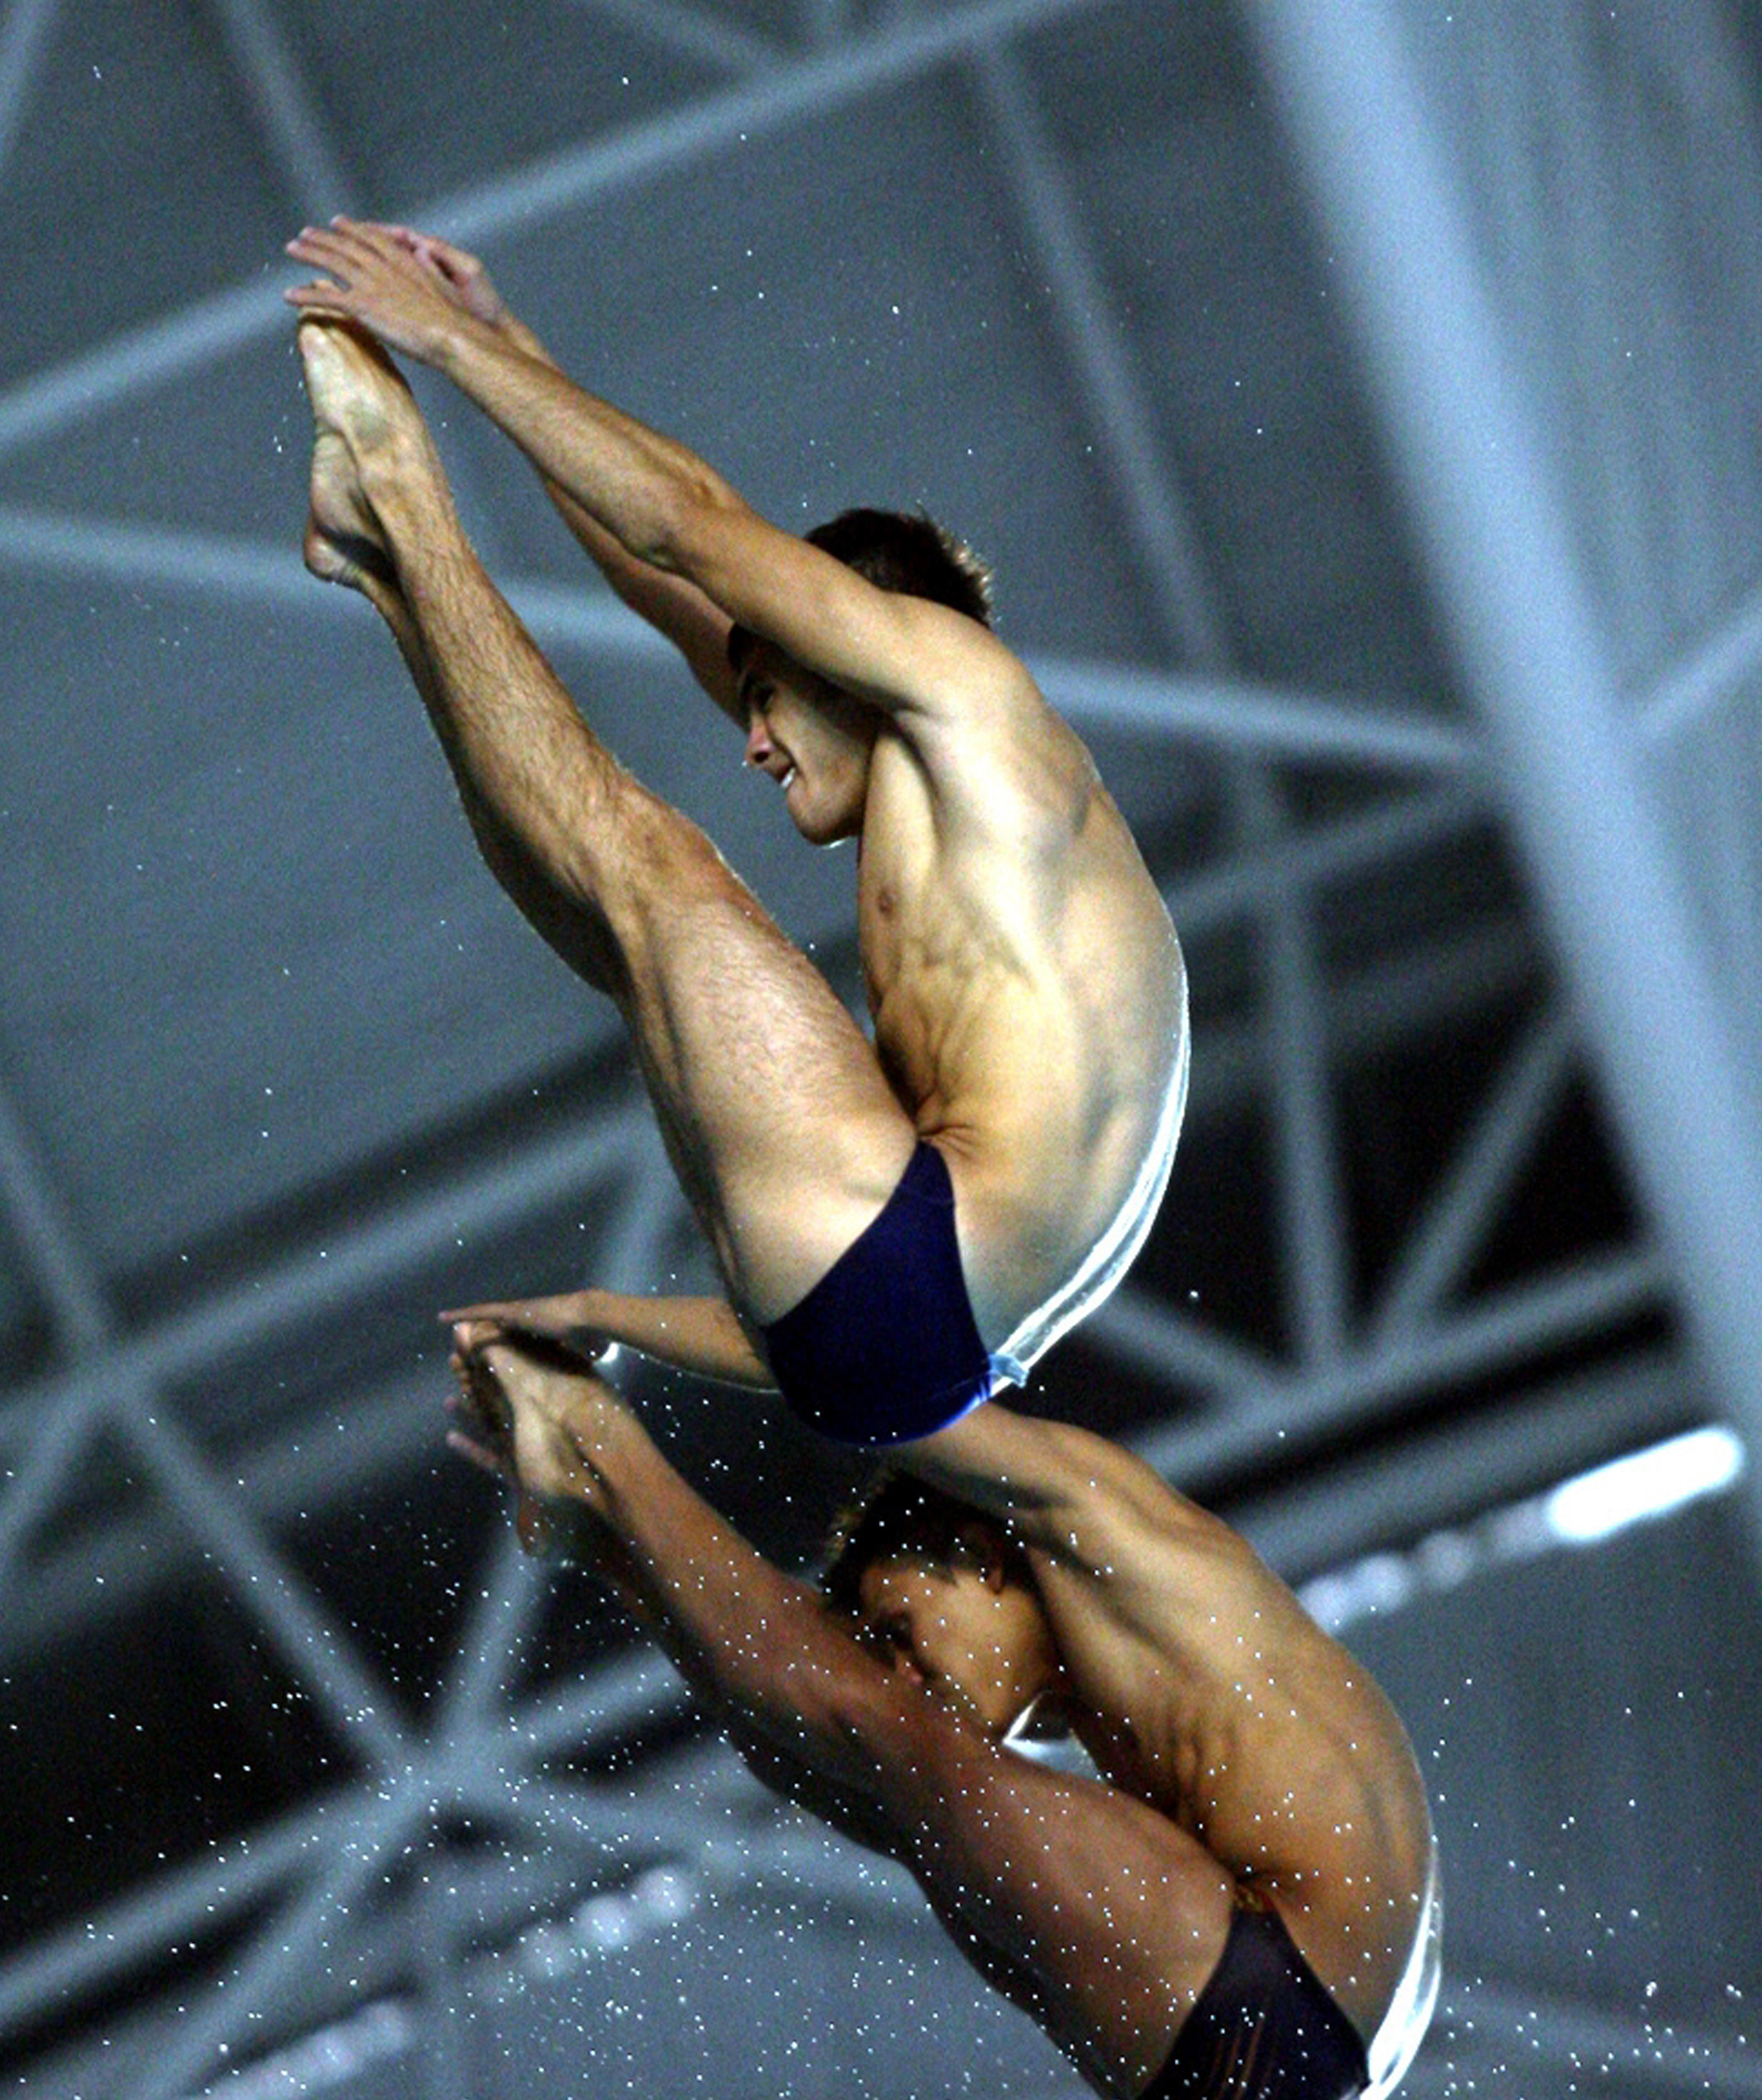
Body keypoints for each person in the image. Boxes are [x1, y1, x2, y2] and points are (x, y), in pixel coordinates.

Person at [284, 219, 1189, 1448]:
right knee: (626, 920)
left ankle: (394, 490)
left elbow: (692, 524)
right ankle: (390, 568)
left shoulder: (969, 697)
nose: (751, 742)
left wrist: (437, 343)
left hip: (901, 1274)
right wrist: (508, 341)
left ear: (855, 640)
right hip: (890, 1341)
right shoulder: (940, 781)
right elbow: (668, 573)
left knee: (655, 875)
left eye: (765, 694)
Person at [446, 1320, 1441, 2100]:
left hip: (1268, 2012)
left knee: (878, 1733)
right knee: (849, 1777)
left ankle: (589, 1443)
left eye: (901, 1623)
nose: (911, 1665)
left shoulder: (1086, 1509)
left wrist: (606, 1317)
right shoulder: (1110, 1688)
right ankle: (600, 1525)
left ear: (975, 1550)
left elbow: (839, 1365)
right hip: (1260, 2063)